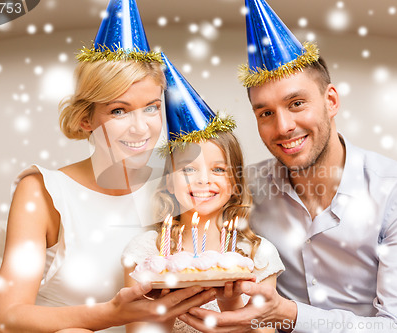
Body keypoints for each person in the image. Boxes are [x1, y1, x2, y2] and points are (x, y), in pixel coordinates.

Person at [178, 0, 397, 332]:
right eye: (265, 113)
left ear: (330, 101)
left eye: (296, 103)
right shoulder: (245, 187)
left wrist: (288, 313)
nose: (283, 126)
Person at [0, 1, 215, 332]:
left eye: (151, 108)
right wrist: (113, 314)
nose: (141, 128)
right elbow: (7, 320)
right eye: (119, 111)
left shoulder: (177, 186)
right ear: (86, 119)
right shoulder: (41, 193)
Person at [121, 54, 285, 333]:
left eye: (219, 169)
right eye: (188, 170)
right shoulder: (147, 253)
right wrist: (163, 306)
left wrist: (231, 306)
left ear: (235, 182)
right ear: (169, 183)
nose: (203, 181)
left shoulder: (258, 254)